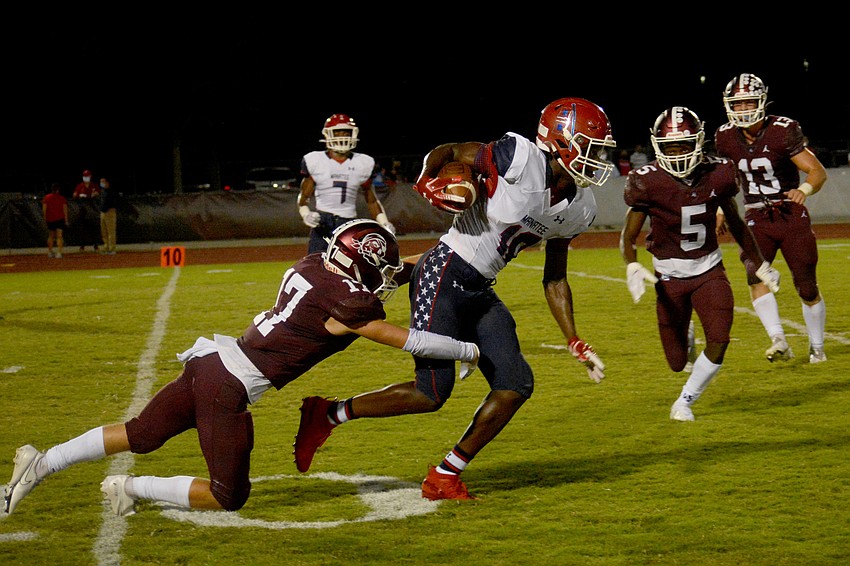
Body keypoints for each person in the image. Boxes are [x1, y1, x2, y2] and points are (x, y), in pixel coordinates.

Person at [3, 219, 479, 516]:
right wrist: (466, 350)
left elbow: (379, 276)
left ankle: (43, 461)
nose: (385, 280)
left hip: (210, 361)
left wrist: (437, 256)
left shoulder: (313, 264)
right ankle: (130, 487)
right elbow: (408, 340)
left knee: (141, 433)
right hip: (226, 387)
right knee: (227, 496)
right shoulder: (348, 303)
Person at [293, 97, 615, 500]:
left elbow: (555, 278)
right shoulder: (519, 156)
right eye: (592, 146)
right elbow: (448, 151)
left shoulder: (580, 207)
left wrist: (574, 338)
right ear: (560, 139)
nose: (599, 157)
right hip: (443, 271)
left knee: (515, 384)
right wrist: (428, 178)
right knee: (431, 393)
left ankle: (445, 475)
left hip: (479, 287)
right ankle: (327, 413)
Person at [620, 106, 781, 422]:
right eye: (670, 147)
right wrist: (632, 264)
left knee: (720, 340)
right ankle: (686, 334)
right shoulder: (647, 181)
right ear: (657, 147)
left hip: (709, 271)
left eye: (684, 145)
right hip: (669, 278)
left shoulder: (718, 173)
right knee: (677, 362)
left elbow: (735, 221)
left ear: (699, 143)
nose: (678, 154)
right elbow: (628, 236)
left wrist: (759, 262)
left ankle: (684, 401)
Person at [714, 73, 829, 364]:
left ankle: (817, 347)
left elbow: (817, 171)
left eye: (749, 102)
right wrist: (719, 209)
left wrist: (803, 190)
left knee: (806, 286)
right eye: (737, 104)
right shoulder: (725, 136)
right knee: (755, 273)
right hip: (755, 215)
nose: (743, 109)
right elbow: (724, 179)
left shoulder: (782, 129)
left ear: (762, 101)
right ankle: (778, 339)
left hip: (788, 212)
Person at [297, 114, 395, 254]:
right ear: (327, 135)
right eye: (337, 133)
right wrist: (306, 214)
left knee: (348, 268)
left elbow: (372, 201)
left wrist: (384, 222)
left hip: (348, 223)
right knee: (315, 266)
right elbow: (303, 198)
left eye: (346, 133)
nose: (342, 136)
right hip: (322, 221)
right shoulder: (314, 160)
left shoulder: (363, 162)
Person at [72, 169, 101, 252]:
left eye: (87, 176)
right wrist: (78, 195)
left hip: (92, 210)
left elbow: (98, 193)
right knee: (82, 229)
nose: (86, 178)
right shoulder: (79, 186)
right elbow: (74, 195)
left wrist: (95, 194)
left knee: (93, 228)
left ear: (90, 176)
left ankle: (95, 245)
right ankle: (82, 246)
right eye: (84, 176)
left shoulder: (94, 186)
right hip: (83, 210)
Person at [42, 182, 68, 259]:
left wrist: (45, 219)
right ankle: (59, 253)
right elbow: (65, 210)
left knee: (51, 236)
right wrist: (66, 220)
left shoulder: (46, 197)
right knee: (59, 236)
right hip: (60, 219)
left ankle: (50, 252)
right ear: (58, 190)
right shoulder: (62, 198)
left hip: (50, 219)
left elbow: (44, 210)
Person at [98, 177, 119, 254]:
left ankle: (112, 249)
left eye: (103, 182)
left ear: (107, 183)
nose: (101, 183)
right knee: (104, 232)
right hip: (103, 212)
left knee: (111, 232)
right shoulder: (102, 191)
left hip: (110, 212)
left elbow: (112, 202)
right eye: (101, 182)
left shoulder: (111, 191)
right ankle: (106, 247)